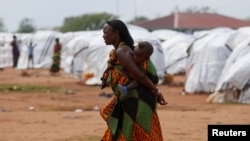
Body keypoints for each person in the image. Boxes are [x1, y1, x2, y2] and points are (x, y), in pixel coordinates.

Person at [100, 19, 167, 141]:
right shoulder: (123, 50)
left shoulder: (122, 51)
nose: (103, 36)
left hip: (136, 100)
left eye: (105, 32)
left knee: (135, 134)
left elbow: (140, 76)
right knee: (130, 133)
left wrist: (156, 91)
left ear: (116, 33)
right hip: (132, 99)